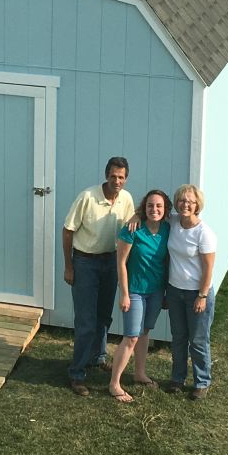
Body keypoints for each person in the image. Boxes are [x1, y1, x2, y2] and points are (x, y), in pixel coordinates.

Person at [63, 157, 134, 397]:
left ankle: (97, 358)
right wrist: (69, 266)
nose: (117, 181)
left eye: (121, 177)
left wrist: (136, 218)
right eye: (113, 176)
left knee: (104, 317)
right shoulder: (88, 197)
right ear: (106, 175)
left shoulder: (126, 199)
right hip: (85, 262)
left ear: (126, 178)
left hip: (111, 262)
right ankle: (77, 373)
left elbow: (131, 226)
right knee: (86, 321)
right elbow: (68, 230)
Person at [108, 189, 171, 403]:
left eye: (159, 206)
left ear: (165, 209)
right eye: (150, 205)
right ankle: (114, 383)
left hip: (155, 291)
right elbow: (121, 263)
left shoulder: (168, 229)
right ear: (144, 208)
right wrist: (124, 294)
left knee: (145, 332)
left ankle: (139, 373)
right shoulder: (132, 229)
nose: (154, 209)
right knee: (131, 336)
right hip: (134, 291)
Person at [166, 184, 217, 400]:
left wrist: (202, 296)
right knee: (178, 338)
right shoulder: (174, 222)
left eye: (190, 201)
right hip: (175, 291)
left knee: (197, 340)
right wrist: (134, 217)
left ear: (197, 206)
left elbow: (208, 269)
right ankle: (178, 378)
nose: (185, 204)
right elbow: (152, 210)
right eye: (182, 200)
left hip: (197, 294)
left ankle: (202, 381)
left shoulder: (204, 233)